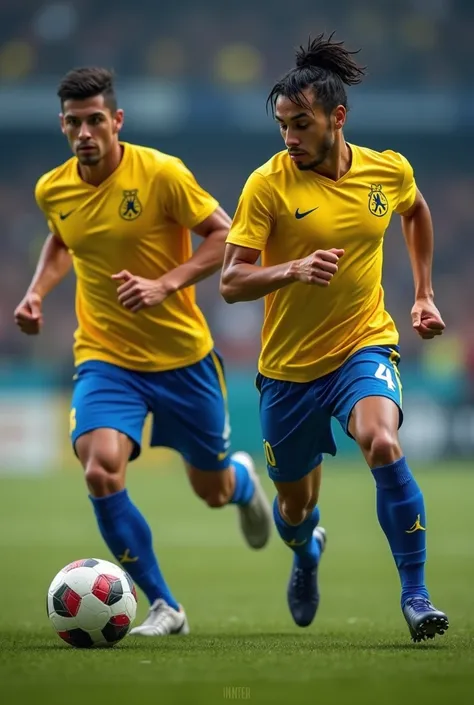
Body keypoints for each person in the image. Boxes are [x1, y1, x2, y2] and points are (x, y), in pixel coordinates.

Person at [14, 67, 271, 638]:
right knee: (101, 470)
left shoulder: (160, 174)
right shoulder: (52, 188)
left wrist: (165, 284)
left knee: (213, 491)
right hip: (105, 356)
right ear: (62, 125)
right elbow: (62, 239)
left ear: (117, 121)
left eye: (95, 121)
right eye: (74, 122)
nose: (85, 132)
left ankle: (243, 483)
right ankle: (165, 605)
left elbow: (224, 235)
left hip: (182, 357)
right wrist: (36, 291)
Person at [220, 33, 449, 642]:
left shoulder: (387, 169)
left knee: (382, 443)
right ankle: (306, 548)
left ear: (337, 117)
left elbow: (416, 210)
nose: (289, 138)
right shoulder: (266, 186)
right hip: (289, 371)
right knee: (293, 511)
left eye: (301, 124)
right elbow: (231, 281)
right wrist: (290, 269)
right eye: (282, 126)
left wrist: (422, 293)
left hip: (362, 346)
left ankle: (417, 597)